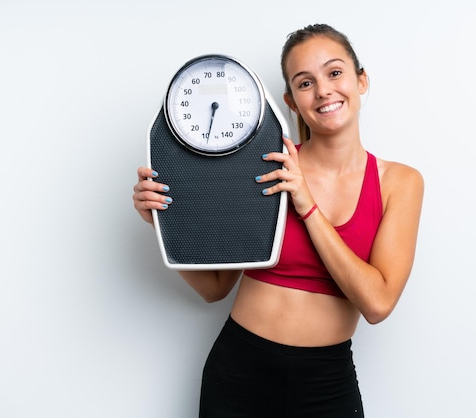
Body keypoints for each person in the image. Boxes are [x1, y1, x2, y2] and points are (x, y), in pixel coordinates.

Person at [133, 23, 424, 418]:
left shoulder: (399, 182)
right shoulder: (265, 167)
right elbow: (215, 288)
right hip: (238, 372)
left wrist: (306, 205)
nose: (323, 91)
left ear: (361, 80)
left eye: (335, 73)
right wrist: (162, 225)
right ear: (291, 99)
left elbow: (377, 303)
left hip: (327, 382)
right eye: (305, 83)